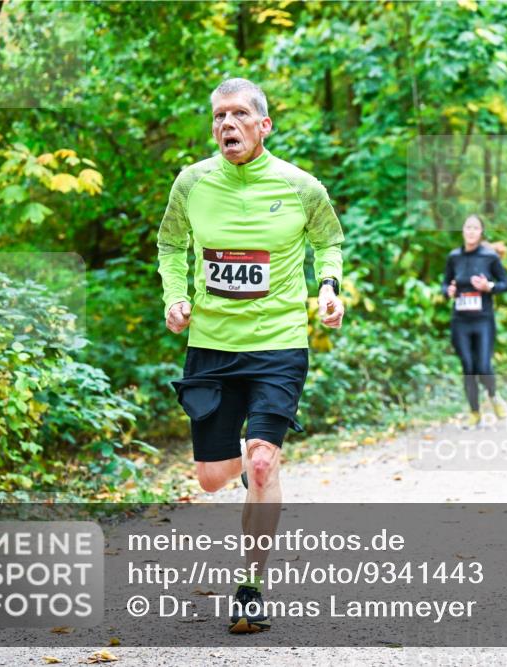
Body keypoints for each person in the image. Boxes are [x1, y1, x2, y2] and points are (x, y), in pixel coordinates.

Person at [157, 78, 345, 632]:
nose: (226, 125)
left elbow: (328, 240)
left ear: (263, 125)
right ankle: (247, 464)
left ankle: (251, 587)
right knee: (212, 478)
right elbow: (170, 244)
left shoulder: (300, 186)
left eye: (239, 114)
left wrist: (329, 286)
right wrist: (175, 296)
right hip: (212, 345)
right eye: (219, 116)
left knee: (263, 459)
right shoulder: (191, 183)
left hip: (279, 344)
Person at [442, 215, 507, 428]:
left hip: (483, 319)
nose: (471, 232)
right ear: (462, 231)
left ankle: (492, 394)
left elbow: (506, 283)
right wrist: (449, 291)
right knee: (468, 366)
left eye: (475, 228)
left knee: (482, 364)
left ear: (481, 232)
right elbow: (444, 285)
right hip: (460, 319)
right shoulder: (454, 257)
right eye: (467, 227)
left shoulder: (489, 257)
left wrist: (488, 287)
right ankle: (474, 412)